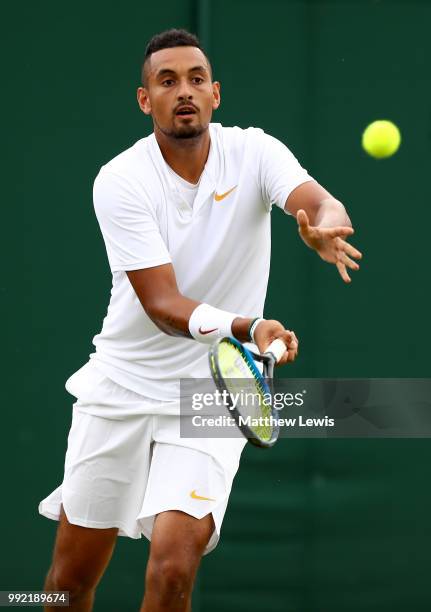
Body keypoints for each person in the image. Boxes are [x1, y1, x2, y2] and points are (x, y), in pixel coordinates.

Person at [39, 28, 361, 612]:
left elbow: (317, 200)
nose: (183, 91)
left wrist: (325, 223)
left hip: (214, 390)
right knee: (65, 585)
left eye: (194, 80)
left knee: (172, 569)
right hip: (122, 388)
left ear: (215, 94)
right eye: (167, 81)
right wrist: (248, 326)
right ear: (145, 101)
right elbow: (162, 306)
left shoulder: (256, 152)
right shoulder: (120, 180)